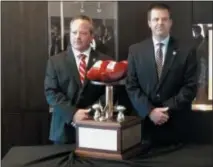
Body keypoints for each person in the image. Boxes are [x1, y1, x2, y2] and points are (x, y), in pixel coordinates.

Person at [125, 3, 198, 146]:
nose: (160, 23)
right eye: (156, 19)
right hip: (144, 129)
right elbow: (131, 86)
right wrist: (150, 111)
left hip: (176, 128)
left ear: (170, 22)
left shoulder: (187, 50)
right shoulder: (135, 51)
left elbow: (190, 86)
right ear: (149, 23)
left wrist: (166, 110)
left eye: (164, 19)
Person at [44, 15, 111, 144]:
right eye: (74, 32)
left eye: (83, 33)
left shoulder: (105, 61)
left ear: (92, 36)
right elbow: (51, 92)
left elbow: (109, 92)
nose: (77, 37)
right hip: (63, 130)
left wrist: (90, 113)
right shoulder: (55, 61)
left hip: (95, 127)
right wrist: (73, 114)